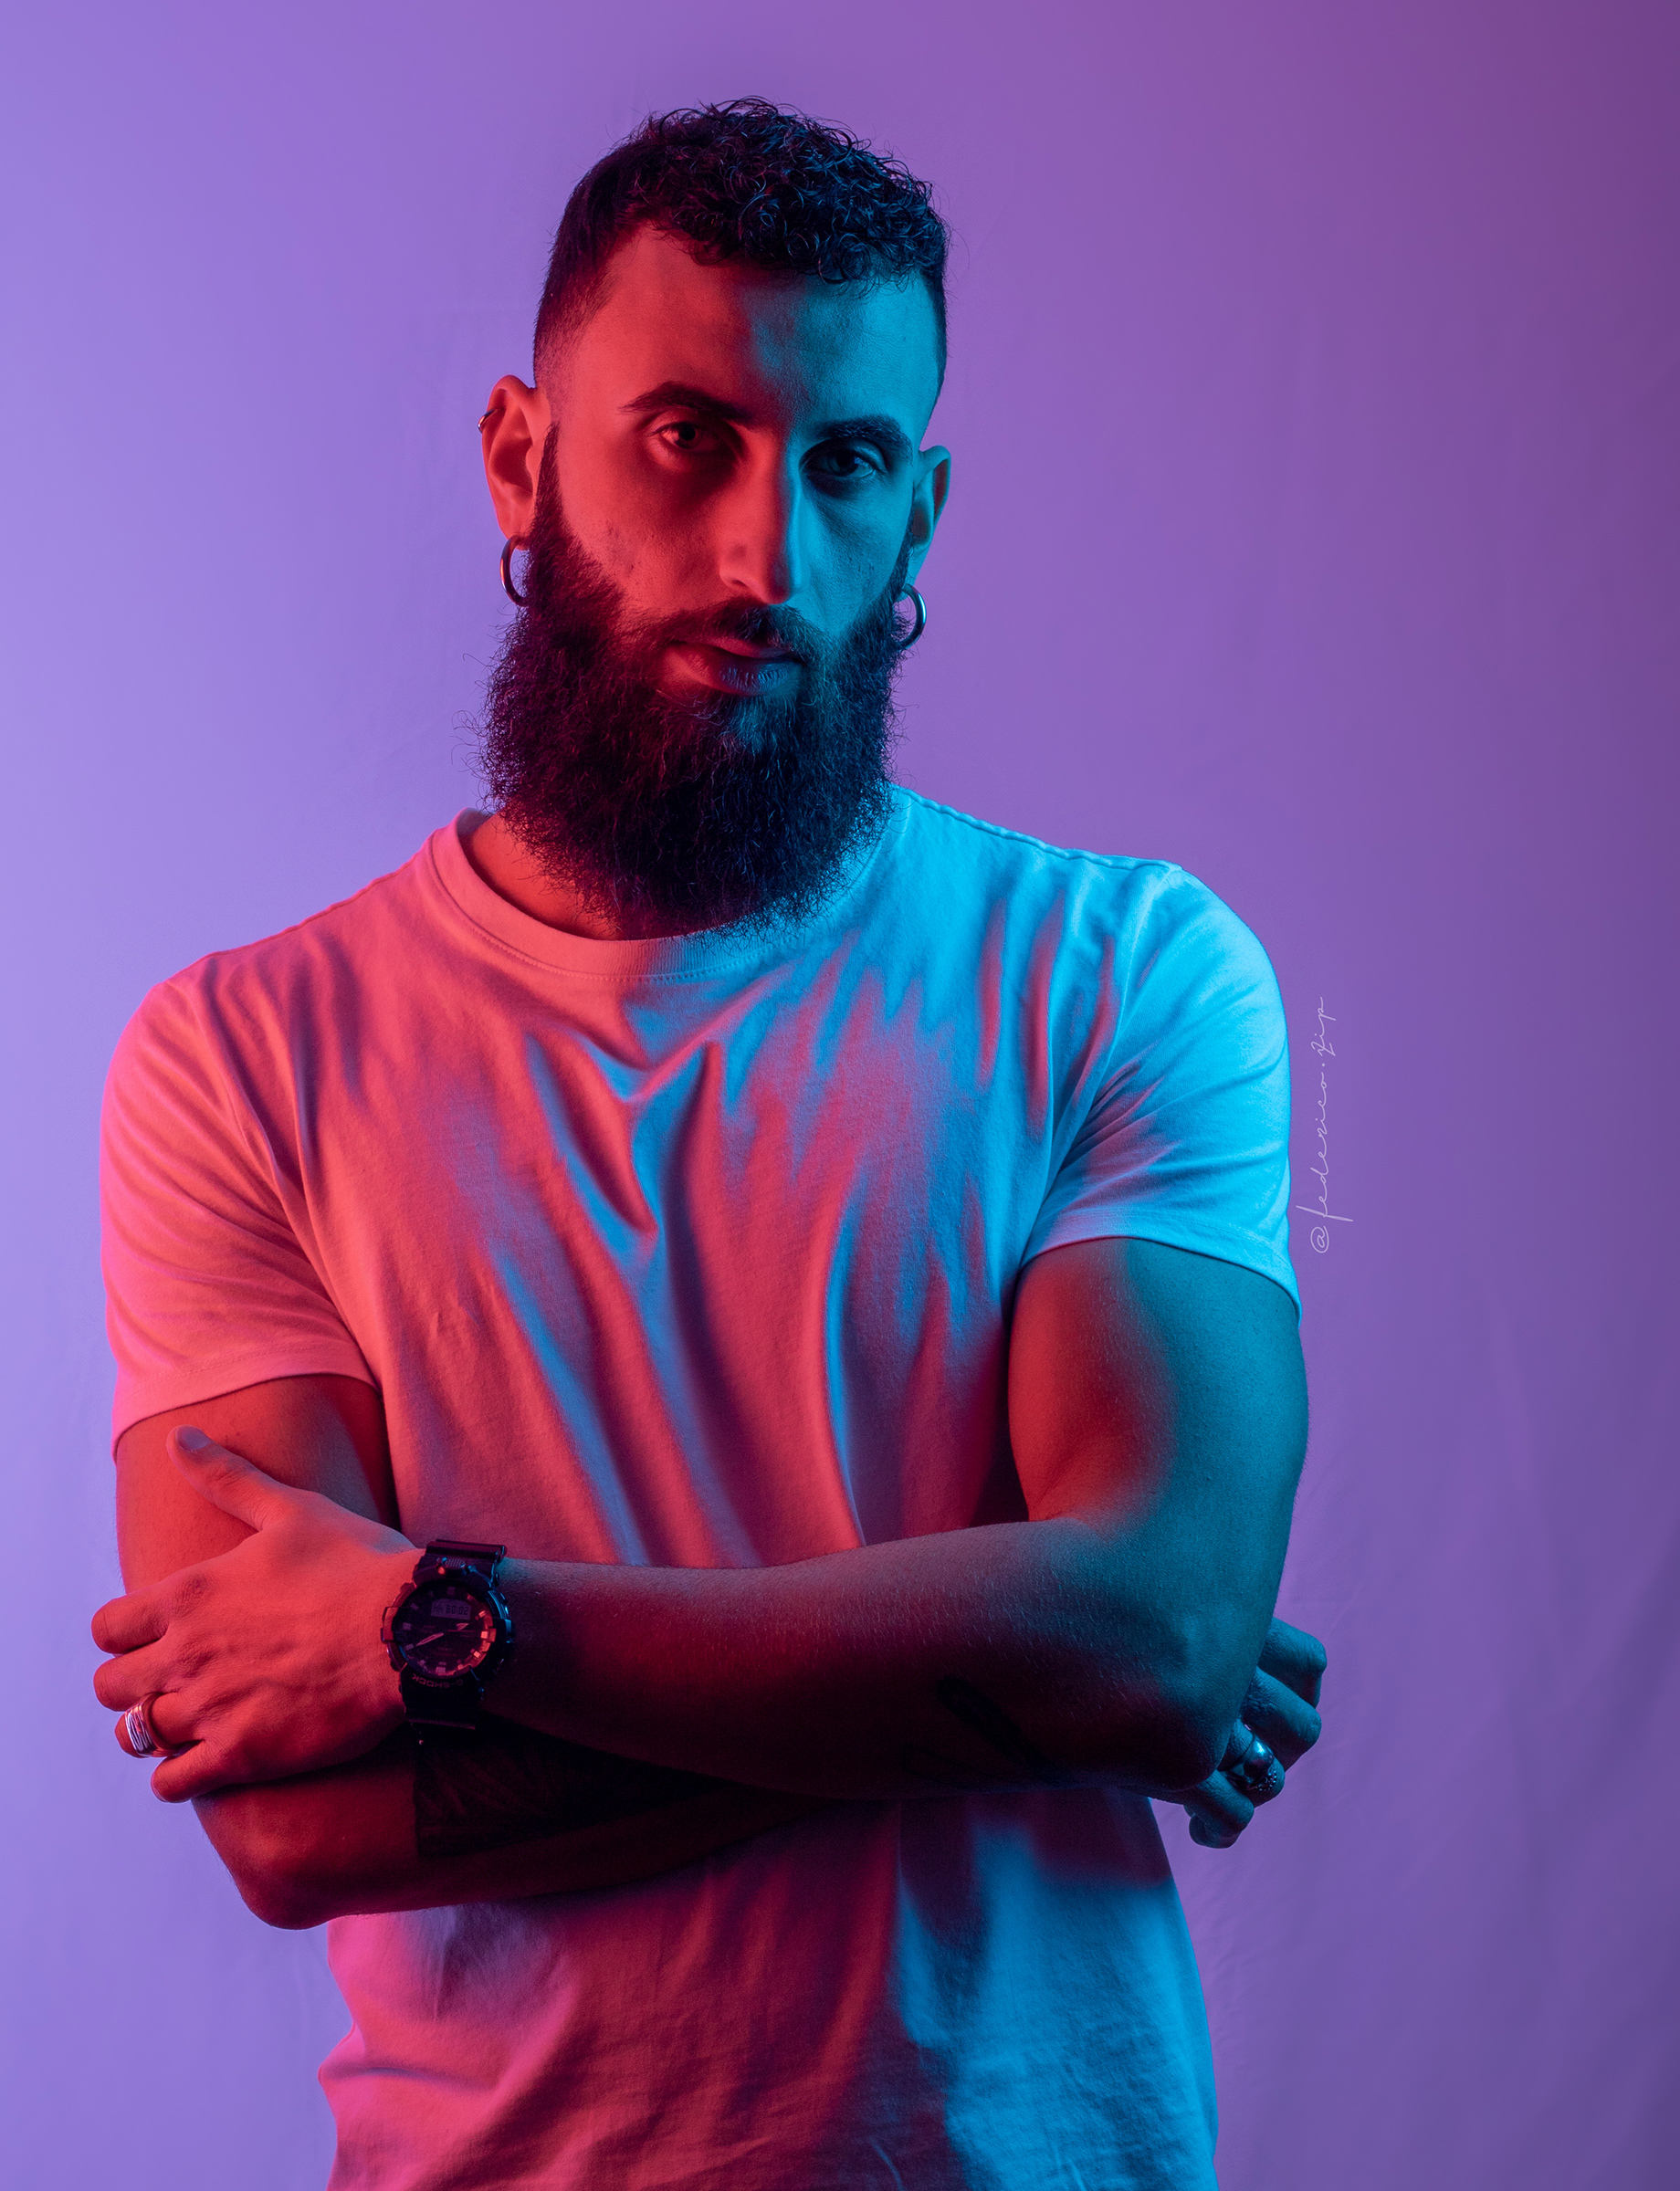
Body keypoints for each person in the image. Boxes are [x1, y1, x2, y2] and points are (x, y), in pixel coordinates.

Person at [92, 99, 1326, 2191]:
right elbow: (297, 1832)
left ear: (921, 512)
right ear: (521, 458)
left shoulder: (1125, 973)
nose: (769, 561)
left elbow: (1161, 1643)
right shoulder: (243, 1058)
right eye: (688, 437)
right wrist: (1022, 1662)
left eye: (847, 465)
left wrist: (448, 1628)